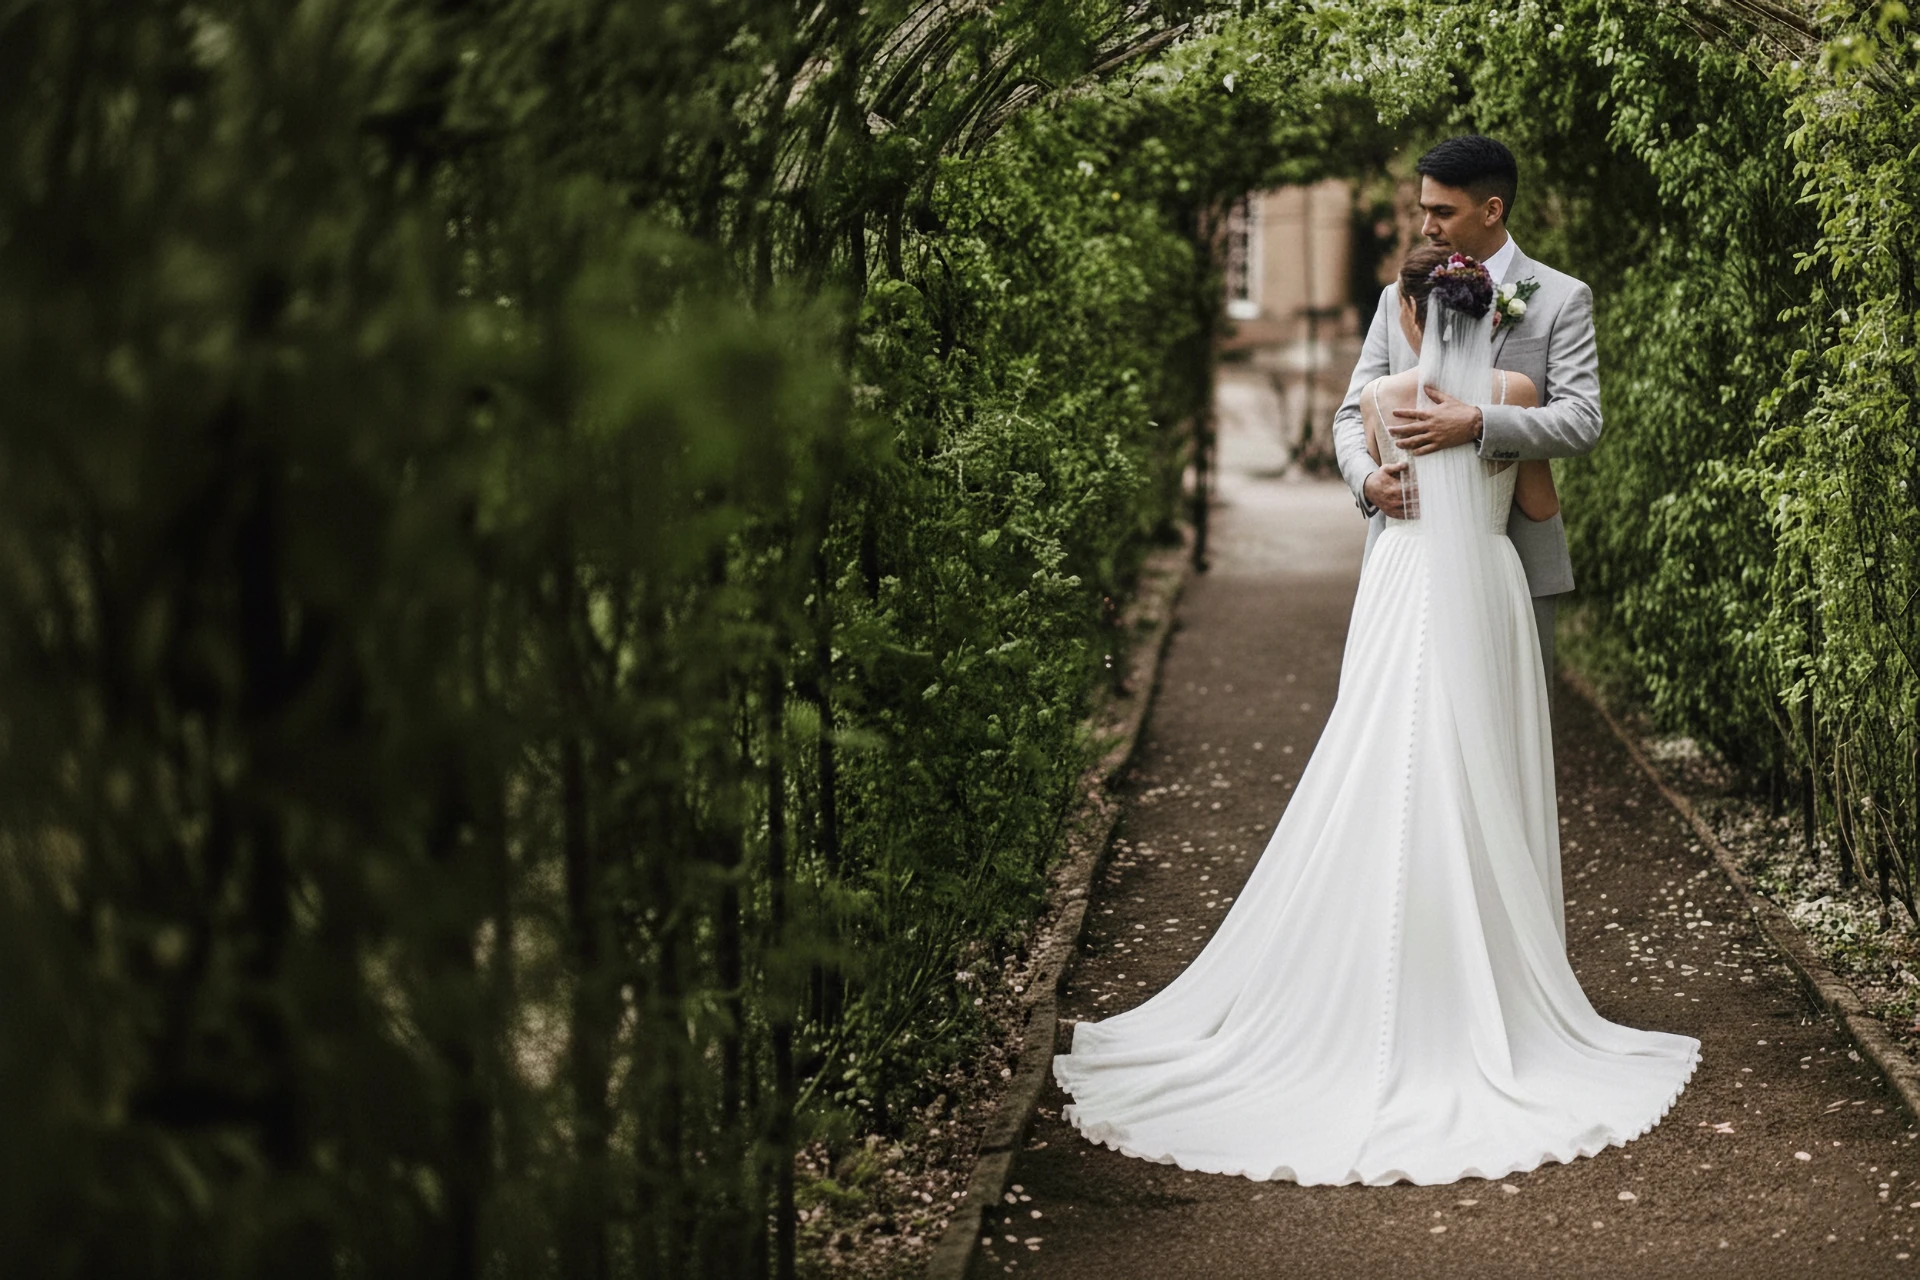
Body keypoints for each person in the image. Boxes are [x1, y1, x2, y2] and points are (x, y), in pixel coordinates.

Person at [1049, 249, 1698, 1187]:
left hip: (1401, 581)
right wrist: (1495, 448)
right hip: (1486, 590)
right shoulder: (1511, 388)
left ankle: (1378, 971)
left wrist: (1397, 479)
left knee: (1384, 756)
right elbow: (1541, 499)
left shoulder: (1391, 397)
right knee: (1477, 776)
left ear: (1413, 317)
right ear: (1484, 319)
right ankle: (1482, 968)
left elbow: (1375, 467)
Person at [1333, 134, 1601, 681]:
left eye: (1443, 212)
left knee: (1515, 725)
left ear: (1491, 210)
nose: (1428, 226)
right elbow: (1348, 414)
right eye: (1424, 210)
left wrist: (1478, 423)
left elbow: (1581, 420)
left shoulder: (1560, 298)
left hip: (1513, 556)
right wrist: (1368, 482)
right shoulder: (1398, 297)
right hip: (1409, 556)